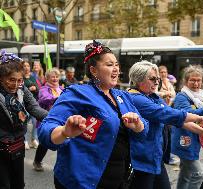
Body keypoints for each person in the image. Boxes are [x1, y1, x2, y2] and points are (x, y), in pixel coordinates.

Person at [38, 41, 149, 189]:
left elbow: (143, 130)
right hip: (83, 182)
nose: (116, 69)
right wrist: (65, 132)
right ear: (94, 70)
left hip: (120, 179)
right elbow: (46, 129)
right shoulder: (77, 93)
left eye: (116, 64)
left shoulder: (124, 96)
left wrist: (138, 126)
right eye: (109, 65)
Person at [127, 60, 203, 189]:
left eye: (157, 78)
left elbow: (176, 118)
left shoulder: (152, 96)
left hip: (155, 157)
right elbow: (169, 114)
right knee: (196, 174)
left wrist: (200, 130)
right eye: (153, 79)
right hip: (142, 161)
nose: (157, 82)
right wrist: (202, 116)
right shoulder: (137, 98)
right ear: (139, 79)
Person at [0, 50, 48, 189]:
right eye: (11, 80)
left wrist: (56, 119)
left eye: (19, 80)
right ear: (1, 78)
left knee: (18, 184)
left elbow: (35, 108)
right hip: (1, 147)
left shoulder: (22, 88)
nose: (15, 85)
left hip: (17, 145)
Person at [33, 68, 64, 171]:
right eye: (52, 77)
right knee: (44, 142)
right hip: (47, 119)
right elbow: (43, 99)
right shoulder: (43, 89)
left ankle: (62, 165)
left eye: (57, 76)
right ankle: (37, 161)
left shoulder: (61, 89)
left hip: (61, 119)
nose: (55, 78)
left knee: (64, 141)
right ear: (47, 78)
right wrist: (57, 98)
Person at [157, 65, 178, 165]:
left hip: (168, 108)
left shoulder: (168, 82)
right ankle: (164, 156)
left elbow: (174, 94)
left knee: (168, 133)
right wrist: (164, 94)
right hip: (161, 110)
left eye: (165, 72)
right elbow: (155, 93)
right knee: (164, 134)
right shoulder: (156, 82)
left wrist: (168, 93)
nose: (164, 74)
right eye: (161, 72)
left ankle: (167, 156)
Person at [23, 61, 40, 149]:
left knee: (35, 122)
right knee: (24, 123)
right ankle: (25, 141)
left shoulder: (33, 77)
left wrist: (35, 88)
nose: (26, 68)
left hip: (33, 103)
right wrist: (28, 89)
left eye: (28, 66)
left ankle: (34, 140)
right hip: (24, 104)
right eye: (24, 66)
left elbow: (38, 88)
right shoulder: (21, 78)